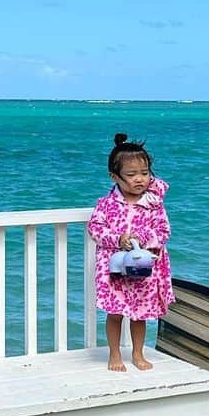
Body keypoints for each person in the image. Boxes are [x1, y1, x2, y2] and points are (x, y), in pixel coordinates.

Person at [86, 133, 175, 371]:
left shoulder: (154, 204)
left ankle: (137, 353)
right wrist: (117, 239)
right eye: (131, 174)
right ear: (114, 177)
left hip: (143, 268)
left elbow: (164, 231)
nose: (140, 180)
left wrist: (143, 239)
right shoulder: (105, 204)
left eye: (144, 173)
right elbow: (94, 228)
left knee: (140, 315)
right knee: (115, 313)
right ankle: (114, 354)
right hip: (115, 270)